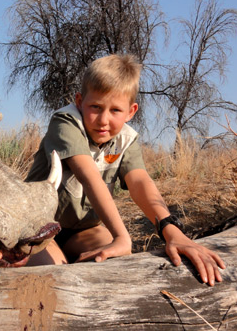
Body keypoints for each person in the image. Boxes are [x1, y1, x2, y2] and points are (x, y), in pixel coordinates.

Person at [25, 54, 225, 286]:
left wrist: (172, 231)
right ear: (79, 101)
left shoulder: (126, 139)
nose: (103, 120)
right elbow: (89, 177)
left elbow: (140, 182)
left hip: (83, 230)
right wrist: (122, 237)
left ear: (131, 111)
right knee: (53, 280)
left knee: (113, 268)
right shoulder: (66, 122)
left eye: (115, 111)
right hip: (39, 227)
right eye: (95, 107)